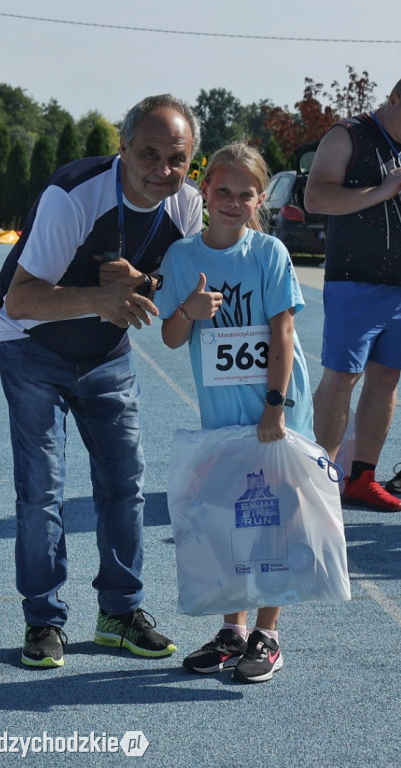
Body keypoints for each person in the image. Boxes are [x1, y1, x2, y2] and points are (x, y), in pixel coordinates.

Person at [0, 94, 203, 668]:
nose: (162, 171)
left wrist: (147, 284)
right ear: (123, 148)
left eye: (175, 159)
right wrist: (101, 299)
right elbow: (21, 297)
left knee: (125, 484)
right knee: (42, 491)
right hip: (33, 348)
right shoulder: (72, 197)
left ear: (190, 162)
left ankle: (121, 612)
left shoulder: (187, 206)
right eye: (149, 155)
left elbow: (169, 282)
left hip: (107, 355)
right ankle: (43, 619)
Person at [154, 142, 314, 683]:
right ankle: (233, 632)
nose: (232, 201)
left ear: (259, 199)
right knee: (228, 516)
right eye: (222, 190)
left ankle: (268, 635)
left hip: (275, 404)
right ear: (205, 190)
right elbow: (173, 338)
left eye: (245, 194)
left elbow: (283, 332)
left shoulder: (269, 253)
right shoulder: (182, 258)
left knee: (273, 521)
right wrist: (187, 310)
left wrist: (275, 406)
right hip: (221, 413)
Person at [304, 79, 401, 512]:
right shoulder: (348, 135)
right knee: (342, 379)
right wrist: (383, 190)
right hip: (353, 281)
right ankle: (317, 478)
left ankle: (362, 476)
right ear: (395, 99)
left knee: (386, 378)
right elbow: (315, 197)